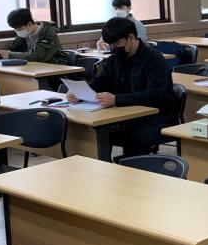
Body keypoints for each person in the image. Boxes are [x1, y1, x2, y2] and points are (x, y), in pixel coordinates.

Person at [68, 17, 179, 157]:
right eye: (110, 45)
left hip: (156, 117)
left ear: (131, 38)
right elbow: (98, 83)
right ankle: (102, 167)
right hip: (125, 116)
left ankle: (132, 168)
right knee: (97, 132)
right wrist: (80, 93)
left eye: (117, 44)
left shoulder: (154, 60)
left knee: (134, 137)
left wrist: (116, 99)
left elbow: (154, 95)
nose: (114, 49)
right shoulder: (114, 60)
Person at [0, 8, 65, 65]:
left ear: (29, 24)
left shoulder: (48, 32)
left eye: (19, 29)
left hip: (53, 68)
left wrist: (9, 54)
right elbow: (13, 50)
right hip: (34, 68)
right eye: (15, 29)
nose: (18, 32)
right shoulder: (24, 33)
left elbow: (37, 56)